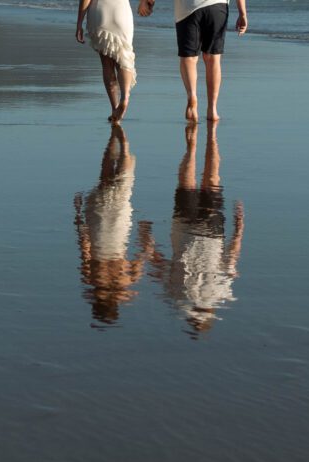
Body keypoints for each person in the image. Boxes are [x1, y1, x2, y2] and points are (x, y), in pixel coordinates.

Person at [149, 123, 245, 337]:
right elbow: (159, 267)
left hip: (212, 231)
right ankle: (192, 145)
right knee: (187, 180)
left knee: (212, 178)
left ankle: (209, 138)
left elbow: (232, 258)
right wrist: (148, 241)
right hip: (186, 229)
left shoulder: (221, 292)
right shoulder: (177, 297)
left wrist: (239, 227)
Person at [74, 126, 156, 325]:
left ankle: (123, 142)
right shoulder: (92, 281)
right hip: (98, 227)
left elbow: (143, 256)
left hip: (118, 230)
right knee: (104, 181)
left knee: (122, 185)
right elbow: (85, 246)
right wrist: (79, 219)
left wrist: (146, 235)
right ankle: (117, 139)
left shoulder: (125, 283)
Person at [137, 0, 246, 122]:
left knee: (189, 58)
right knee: (213, 58)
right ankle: (212, 109)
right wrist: (242, 13)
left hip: (187, 8)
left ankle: (192, 96)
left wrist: (147, 1)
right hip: (217, 6)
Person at [76, 0, 137, 122]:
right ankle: (125, 98)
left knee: (107, 64)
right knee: (124, 57)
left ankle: (114, 108)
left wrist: (79, 23)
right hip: (121, 12)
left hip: (100, 12)